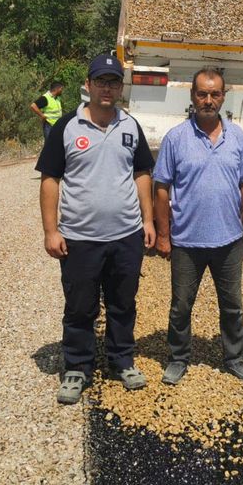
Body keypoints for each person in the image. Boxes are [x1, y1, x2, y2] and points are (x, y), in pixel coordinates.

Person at [36, 53, 156, 404]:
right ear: (87, 85)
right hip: (80, 238)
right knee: (80, 307)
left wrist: (148, 220)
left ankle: (122, 360)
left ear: (121, 87)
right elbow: (50, 179)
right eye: (101, 81)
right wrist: (50, 231)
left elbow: (142, 173)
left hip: (126, 236)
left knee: (123, 303)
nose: (107, 88)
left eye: (113, 82)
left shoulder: (130, 127)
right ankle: (77, 366)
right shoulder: (67, 127)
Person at [153, 67, 243, 385]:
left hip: (228, 240)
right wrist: (164, 235)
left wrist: (242, 225)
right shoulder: (176, 138)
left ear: (224, 97)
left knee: (233, 305)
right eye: (202, 94)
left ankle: (234, 357)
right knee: (181, 306)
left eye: (215, 94)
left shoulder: (237, 137)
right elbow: (161, 188)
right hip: (187, 240)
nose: (208, 100)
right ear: (192, 96)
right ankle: (178, 358)